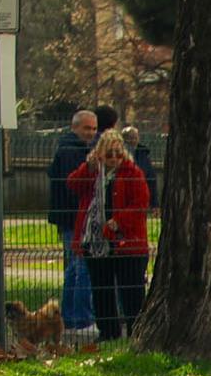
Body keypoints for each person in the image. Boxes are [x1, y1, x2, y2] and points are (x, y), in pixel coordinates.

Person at [67, 127, 151, 343]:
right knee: (101, 289)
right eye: (109, 153)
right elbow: (73, 184)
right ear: (100, 153)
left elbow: (141, 204)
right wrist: (89, 166)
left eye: (118, 153)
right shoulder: (94, 172)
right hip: (96, 242)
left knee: (131, 291)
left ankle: (136, 333)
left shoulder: (132, 172)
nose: (114, 158)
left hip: (127, 243)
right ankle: (108, 332)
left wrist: (118, 221)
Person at [46, 108, 98, 337]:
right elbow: (73, 187)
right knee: (82, 266)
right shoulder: (71, 151)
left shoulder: (69, 148)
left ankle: (70, 317)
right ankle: (81, 318)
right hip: (73, 218)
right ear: (74, 127)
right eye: (87, 128)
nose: (91, 133)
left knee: (74, 268)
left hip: (69, 217)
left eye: (94, 128)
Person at [122, 124, 159, 212]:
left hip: (140, 192)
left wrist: (154, 203)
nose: (133, 140)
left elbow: (151, 178)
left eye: (135, 137)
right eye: (130, 137)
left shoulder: (143, 154)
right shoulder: (118, 154)